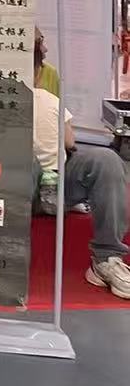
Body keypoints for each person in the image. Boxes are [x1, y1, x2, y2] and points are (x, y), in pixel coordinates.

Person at [35, 84, 130, 298]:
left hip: (51, 184)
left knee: (106, 159)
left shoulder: (49, 98)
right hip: (9, 189)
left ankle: (106, 259)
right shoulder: (48, 98)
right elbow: (69, 141)